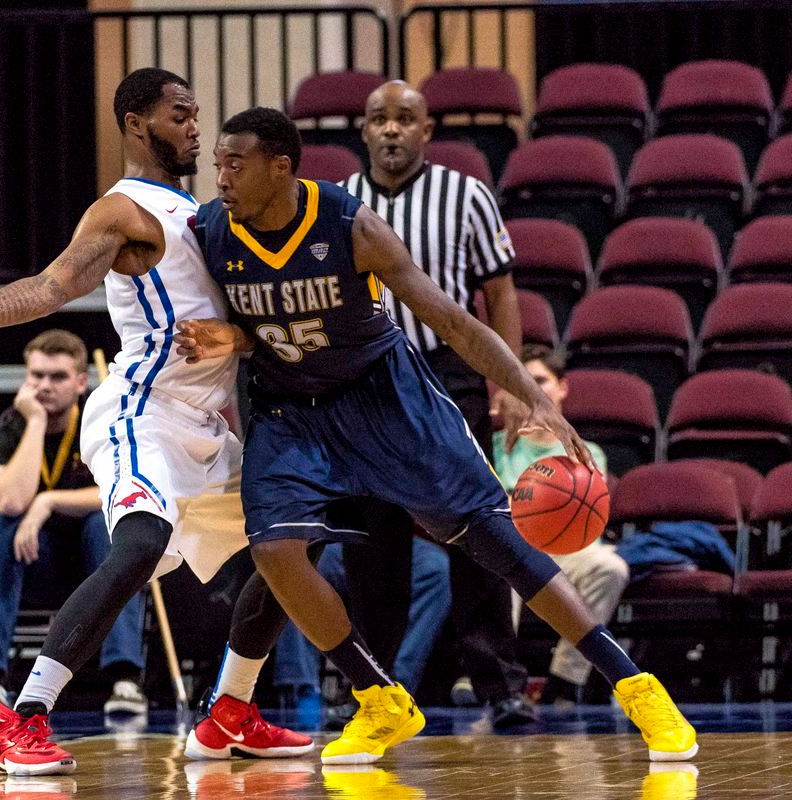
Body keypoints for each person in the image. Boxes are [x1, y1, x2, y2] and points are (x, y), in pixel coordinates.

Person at [177, 106, 698, 764]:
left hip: (385, 397)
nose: (219, 176)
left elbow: (453, 320)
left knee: (497, 544)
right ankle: (379, 697)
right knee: (277, 551)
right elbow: (245, 331)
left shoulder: (350, 224)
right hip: (290, 409)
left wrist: (533, 393)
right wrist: (231, 340)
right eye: (216, 162)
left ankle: (636, 687)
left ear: (280, 168)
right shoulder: (212, 231)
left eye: (235, 163)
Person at [0, 68, 312, 776]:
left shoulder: (200, 212)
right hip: (143, 414)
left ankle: (232, 707)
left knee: (295, 535)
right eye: (180, 115)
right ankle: (21, 716)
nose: (196, 128)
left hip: (206, 424)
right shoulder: (123, 211)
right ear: (136, 122)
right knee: (140, 545)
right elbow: (53, 285)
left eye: (197, 114)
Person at [346, 79, 533, 725]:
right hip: (367, 377)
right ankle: (376, 692)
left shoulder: (468, 195)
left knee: (475, 531)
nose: (392, 129)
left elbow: (500, 293)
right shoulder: (340, 202)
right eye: (379, 119)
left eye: (405, 118)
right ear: (363, 130)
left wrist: (505, 382)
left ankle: (500, 684)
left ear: (427, 130)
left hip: (447, 371)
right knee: (374, 543)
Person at [0, 329, 147, 719]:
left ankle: (124, 679)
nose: (45, 386)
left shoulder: (101, 424)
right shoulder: (11, 427)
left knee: (108, 526)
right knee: (0, 528)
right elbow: (10, 500)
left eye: (58, 377)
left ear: (81, 382)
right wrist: (34, 425)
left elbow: (119, 493)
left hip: (95, 565)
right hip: (36, 563)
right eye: (36, 376)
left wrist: (47, 502)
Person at [495, 345, 629, 706]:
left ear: (562, 387)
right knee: (498, 570)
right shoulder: (493, 446)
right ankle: (497, 679)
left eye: (541, 380)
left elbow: (590, 518)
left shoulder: (584, 450)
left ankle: (565, 681)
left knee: (610, 567)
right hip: (516, 548)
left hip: (568, 548)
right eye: (524, 381)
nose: (534, 388)